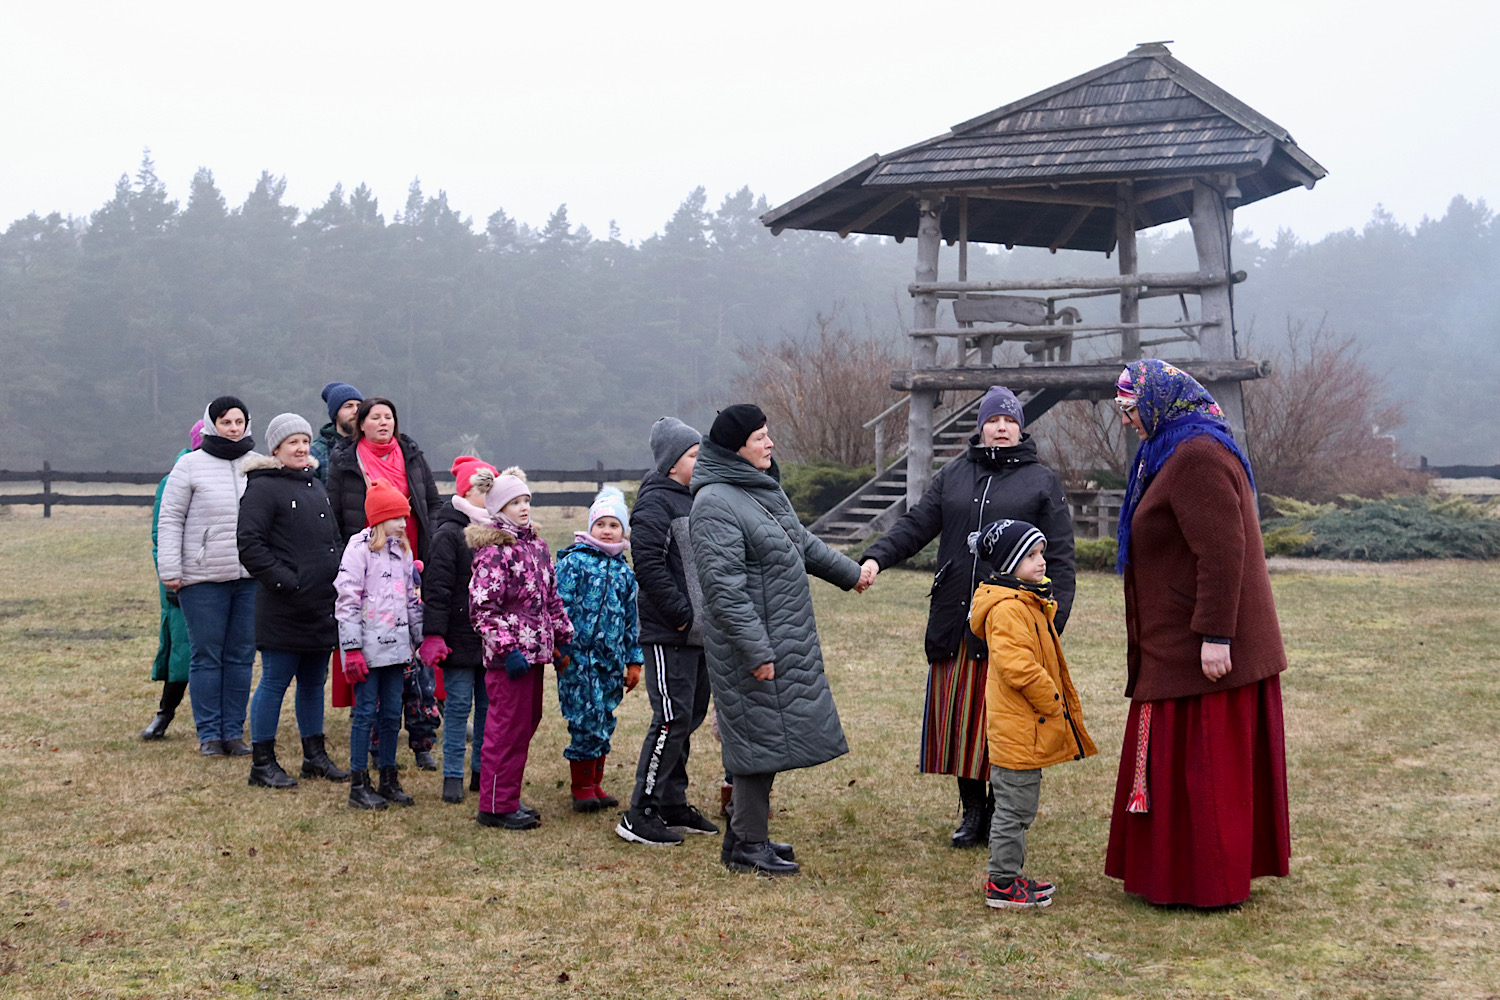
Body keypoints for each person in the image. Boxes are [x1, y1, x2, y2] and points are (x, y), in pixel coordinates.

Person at [1104, 359, 1290, 908]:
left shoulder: (1195, 455)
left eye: (1129, 407)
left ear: (1159, 401)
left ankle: (1205, 881)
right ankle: (1182, 875)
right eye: (1120, 409)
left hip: (1198, 646)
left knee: (1206, 771)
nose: (1125, 420)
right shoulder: (1173, 450)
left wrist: (1215, 635)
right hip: (1176, 640)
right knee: (1186, 769)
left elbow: (1223, 549)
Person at [858, 385, 1076, 849]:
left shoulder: (1042, 481)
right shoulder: (954, 474)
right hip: (957, 616)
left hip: (1013, 624)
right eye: (993, 420)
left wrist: (1052, 623)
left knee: (1004, 719)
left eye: (1009, 420)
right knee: (962, 722)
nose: (1000, 427)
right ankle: (972, 810)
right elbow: (916, 524)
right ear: (981, 427)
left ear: (1020, 428)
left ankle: (1001, 810)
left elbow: (1060, 555)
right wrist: (876, 556)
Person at [690, 404, 870, 876]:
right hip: (750, 646)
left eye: (768, 435)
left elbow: (801, 544)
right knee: (756, 742)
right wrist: (755, 649)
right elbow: (723, 589)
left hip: (775, 637)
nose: (769, 444)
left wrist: (850, 575)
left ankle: (743, 839)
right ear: (736, 447)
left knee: (765, 738)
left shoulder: (758, 491)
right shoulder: (714, 503)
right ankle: (750, 844)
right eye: (760, 438)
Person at [968, 518, 1096, 910]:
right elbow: (1017, 666)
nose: (1042, 562)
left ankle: (1009, 877)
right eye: (1031, 555)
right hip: (1018, 728)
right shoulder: (1008, 610)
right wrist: (1051, 701)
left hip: (1025, 728)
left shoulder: (1026, 602)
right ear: (1008, 563)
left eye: (1041, 553)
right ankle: (1002, 884)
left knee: (1019, 806)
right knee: (1014, 809)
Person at [616, 417, 721, 846]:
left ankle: (673, 802)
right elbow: (650, 566)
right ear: (672, 462)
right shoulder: (654, 503)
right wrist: (681, 615)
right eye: (694, 455)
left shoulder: (696, 499)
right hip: (669, 632)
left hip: (700, 636)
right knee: (671, 719)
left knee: (689, 720)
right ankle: (639, 812)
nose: (701, 461)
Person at [325, 396, 444, 767]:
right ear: (361, 424)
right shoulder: (345, 461)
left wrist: (432, 547)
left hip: (411, 558)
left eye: (388, 417)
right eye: (375, 417)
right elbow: (333, 513)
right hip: (368, 565)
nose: (383, 423)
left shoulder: (412, 455)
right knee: (378, 663)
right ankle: (375, 744)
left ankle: (422, 740)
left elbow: (434, 504)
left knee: (416, 663)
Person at [236, 413, 349, 789]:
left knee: (314, 683)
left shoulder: (315, 484)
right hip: (284, 607)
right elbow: (250, 546)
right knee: (274, 681)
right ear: (276, 449)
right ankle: (262, 763)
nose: (301, 449)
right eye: (292, 443)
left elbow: (332, 539)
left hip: (321, 604)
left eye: (304, 441)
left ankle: (314, 756)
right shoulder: (262, 488)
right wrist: (287, 582)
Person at [468, 468, 573, 831]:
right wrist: (507, 648)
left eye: (526, 500)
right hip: (509, 659)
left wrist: (562, 638)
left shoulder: (537, 548)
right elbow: (483, 608)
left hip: (536, 655)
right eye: (515, 502)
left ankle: (507, 796)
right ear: (499, 509)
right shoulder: (495, 553)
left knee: (526, 723)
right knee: (505, 728)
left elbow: (551, 600)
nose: (524, 507)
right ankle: (494, 804)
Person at [156, 396, 262, 757]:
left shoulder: (257, 465)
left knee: (241, 656)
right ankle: (209, 735)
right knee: (206, 655)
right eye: (225, 422)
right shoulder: (189, 466)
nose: (233, 428)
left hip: (249, 578)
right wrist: (170, 569)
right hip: (201, 578)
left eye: (238, 422)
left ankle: (233, 731)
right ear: (211, 424)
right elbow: (170, 519)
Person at [553, 487, 644, 814]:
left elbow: (632, 620)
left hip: (610, 661)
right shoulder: (574, 563)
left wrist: (634, 660)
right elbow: (557, 606)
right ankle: (580, 787)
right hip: (575, 660)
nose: (607, 530)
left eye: (614, 525)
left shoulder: (624, 573)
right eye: (601, 523)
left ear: (623, 530)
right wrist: (557, 646)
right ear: (591, 526)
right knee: (583, 718)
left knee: (603, 716)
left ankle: (595, 782)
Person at [334, 481, 424, 809]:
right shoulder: (358, 551)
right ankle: (359, 782)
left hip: (397, 650)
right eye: (399, 517)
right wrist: (352, 648)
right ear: (381, 519)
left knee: (390, 715)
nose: (404, 523)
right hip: (368, 651)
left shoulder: (402, 551)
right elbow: (346, 601)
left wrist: (420, 639)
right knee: (364, 714)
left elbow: (411, 602)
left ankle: (388, 777)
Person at [421, 456, 498, 804]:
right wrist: (434, 634)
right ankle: (452, 774)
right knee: (456, 709)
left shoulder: (499, 535)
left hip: (490, 640)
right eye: (484, 490)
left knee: (488, 709)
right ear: (466, 492)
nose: (491, 497)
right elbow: (436, 589)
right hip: (456, 638)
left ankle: (482, 771)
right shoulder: (448, 535)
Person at [141, 419, 203, 741]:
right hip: (183, 579)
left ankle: (216, 720)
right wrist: (170, 578)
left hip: (222, 575)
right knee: (183, 650)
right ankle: (165, 714)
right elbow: (160, 534)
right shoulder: (174, 480)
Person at [310, 381, 363, 484]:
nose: (356, 411)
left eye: (359, 406)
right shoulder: (316, 453)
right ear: (335, 414)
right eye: (348, 406)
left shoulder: (371, 446)